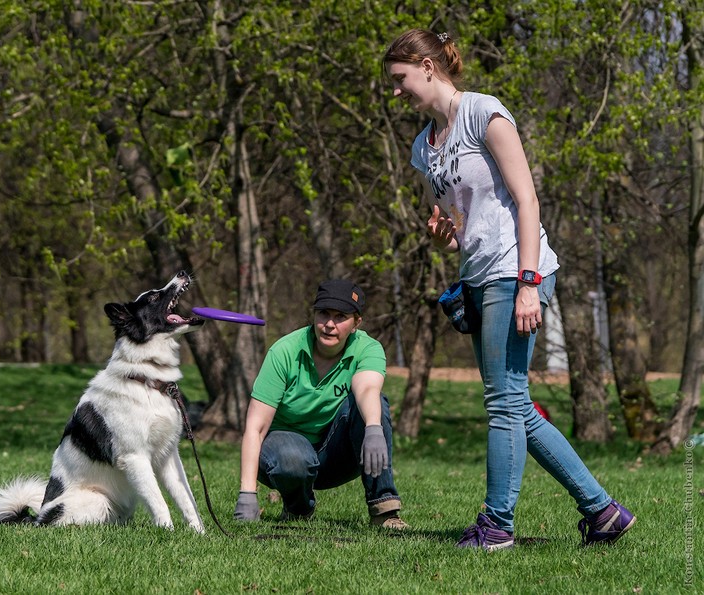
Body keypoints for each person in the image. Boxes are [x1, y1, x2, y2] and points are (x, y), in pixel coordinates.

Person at [382, 28, 635, 549]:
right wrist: (445, 235)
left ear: (428, 68)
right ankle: (602, 511)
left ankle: (496, 526)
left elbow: (526, 200)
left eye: (400, 79)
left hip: (515, 268)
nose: (396, 92)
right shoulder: (421, 148)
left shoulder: (484, 113)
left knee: (502, 402)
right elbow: (462, 223)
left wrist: (527, 282)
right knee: (514, 404)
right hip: (474, 273)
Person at [233, 279, 408, 529]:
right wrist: (247, 495)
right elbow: (255, 427)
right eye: (323, 313)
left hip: (337, 455)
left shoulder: (367, 349)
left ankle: (384, 511)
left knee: (374, 405)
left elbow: (367, 388)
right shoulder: (284, 351)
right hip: (283, 456)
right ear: (313, 315)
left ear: (357, 322)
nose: (329, 324)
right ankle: (298, 507)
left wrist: (372, 428)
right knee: (293, 457)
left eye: (340, 316)